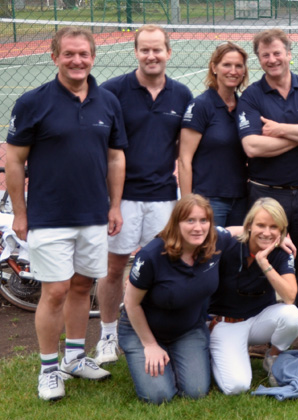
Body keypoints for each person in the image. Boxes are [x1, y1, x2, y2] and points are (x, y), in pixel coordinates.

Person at [6, 26, 126, 401]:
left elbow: (115, 157)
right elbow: (14, 160)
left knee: (81, 287)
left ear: (93, 57)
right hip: (49, 215)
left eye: (84, 54)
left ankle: (74, 358)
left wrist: (115, 204)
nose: (77, 61)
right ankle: (48, 370)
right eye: (69, 54)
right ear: (55, 56)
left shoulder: (107, 101)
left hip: (93, 214)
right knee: (54, 290)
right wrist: (20, 214)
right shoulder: (32, 102)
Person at [97, 24, 193, 366]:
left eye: (158, 49)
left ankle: (152, 329)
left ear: (169, 51)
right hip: (121, 200)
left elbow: (185, 153)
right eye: (144, 49)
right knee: (113, 269)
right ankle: (108, 334)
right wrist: (110, 202)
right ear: (135, 52)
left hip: (164, 198)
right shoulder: (112, 92)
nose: (151, 56)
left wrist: (187, 199)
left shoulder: (182, 95)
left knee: (164, 267)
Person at [237, 28, 298, 353]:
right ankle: (258, 332)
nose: (272, 59)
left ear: (288, 53)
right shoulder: (251, 96)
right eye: (265, 55)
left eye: (277, 53)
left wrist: (279, 130)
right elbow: (251, 146)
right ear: (259, 59)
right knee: (260, 259)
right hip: (266, 195)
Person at [119, 195, 227, 404]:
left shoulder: (213, 242)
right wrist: (150, 344)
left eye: (203, 221)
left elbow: (238, 231)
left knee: (196, 391)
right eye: (190, 221)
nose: (198, 228)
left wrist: (281, 236)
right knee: (159, 396)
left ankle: (176, 356)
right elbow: (131, 303)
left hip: (188, 329)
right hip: (143, 329)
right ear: (176, 223)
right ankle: (151, 353)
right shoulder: (150, 256)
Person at [208, 197, 298, 394]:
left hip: (258, 322)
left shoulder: (281, 252)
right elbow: (207, 232)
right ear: (249, 225)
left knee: (292, 315)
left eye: (274, 227)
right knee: (237, 387)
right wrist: (238, 230)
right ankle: (212, 353)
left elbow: (290, 296)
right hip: (226, 324)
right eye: (261, 225)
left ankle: (273, 358)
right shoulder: (229, 244)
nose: (267, 232)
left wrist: (264, 263)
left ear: (281, 230)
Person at [180, 42, 250, 227]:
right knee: (209, 254)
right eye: (226, 65)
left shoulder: (246, 108)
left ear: (244, 71)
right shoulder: (201, 106)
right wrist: (188, 205)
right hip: (209, 200)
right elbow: (184, 159)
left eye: (238, 66)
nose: (233, 71)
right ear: (214, 67)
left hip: (242, 200)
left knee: (236, 255)